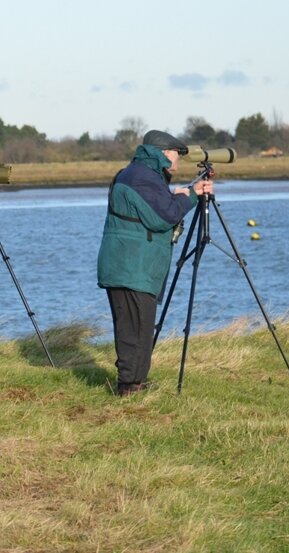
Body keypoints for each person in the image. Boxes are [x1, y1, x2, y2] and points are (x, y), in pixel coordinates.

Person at [98, 130, 212, 396]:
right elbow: (164, 217)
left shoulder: (138, 174)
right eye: (176, 155)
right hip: (132, 266)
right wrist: (188, 196)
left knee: (136, 328)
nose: (179, 161)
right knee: (135, 329)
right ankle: (129, 388)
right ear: (163, 154)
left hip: (129, 264)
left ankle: (135, 383)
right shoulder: (143, 179)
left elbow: (153, 210)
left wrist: (182, 195)